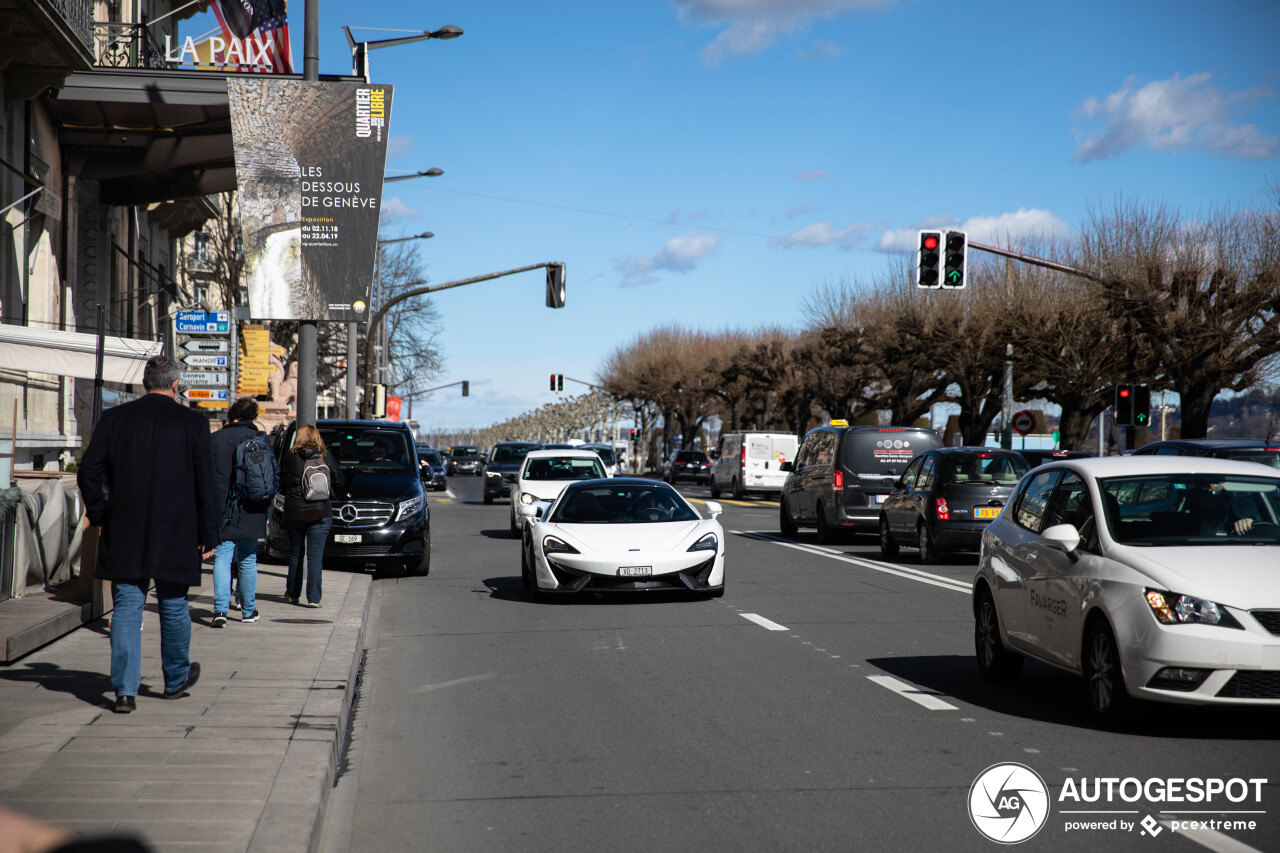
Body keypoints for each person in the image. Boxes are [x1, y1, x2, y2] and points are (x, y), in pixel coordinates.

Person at [77, 355, 218, 713]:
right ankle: (175, 679)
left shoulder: (115, 420)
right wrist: (209, 532)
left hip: (126, 527)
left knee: (127, 606)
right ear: (176, 385)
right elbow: (206, 483)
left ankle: (124, 690)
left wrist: (101, 513)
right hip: (178, 529)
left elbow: (89, 471)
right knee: (173, 604)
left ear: (144, 384)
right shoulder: (193, 423)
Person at [209, 397, 273, 626]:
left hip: (224, 507)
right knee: (248, 559)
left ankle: (220, 611)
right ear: (253, 417)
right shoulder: (261, 439)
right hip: (253, 507)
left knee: (223, 557)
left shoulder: (216, 439)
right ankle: (248, 611)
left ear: (232, 414)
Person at [280, 424, 343, 607]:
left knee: (296, 554)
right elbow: (340, 480)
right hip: (321, 511)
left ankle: (292, 593)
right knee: (315, 556)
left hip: (295, 512)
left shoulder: (291, 457)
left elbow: (282, 481)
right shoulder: (325, 455)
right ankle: (314, 598)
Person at [1189, 487, 1254, 536]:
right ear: (1201, 502)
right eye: (1214, 498)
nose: (1221, 502)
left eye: (1225, 498)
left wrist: (1250, 523)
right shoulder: (1185, 526)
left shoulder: (1239, 525)